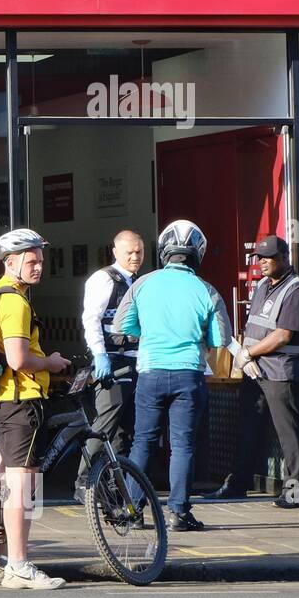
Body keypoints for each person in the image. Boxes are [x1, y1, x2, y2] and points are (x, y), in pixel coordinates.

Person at [112, 220, 234, 531]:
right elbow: (221, 338)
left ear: (165, 251)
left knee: (142, 442)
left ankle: (132, 510)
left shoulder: (143, 284)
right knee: (183, 445)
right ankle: (178, 512)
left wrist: (149, 331)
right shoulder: (207, 290)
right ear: (197, 254)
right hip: (188, 375)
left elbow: (121, 326)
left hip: (150, 372)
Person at [0, 228, 72, 589]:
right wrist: (50, 363)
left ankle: (3, 560)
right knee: (23, 485)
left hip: (2, 400)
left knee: (3, 480)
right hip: (21, 402)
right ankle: (19, 563)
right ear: (11, 262)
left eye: (40, 260)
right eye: (31, 261)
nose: (39, 267)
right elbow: (19, 359)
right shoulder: (15, 302)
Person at [209, 235, 299, 507]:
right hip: (254, 371)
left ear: (284, 257)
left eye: (269, 257)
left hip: (281, 372)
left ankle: (293, 493)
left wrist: (249, 353)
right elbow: (254, 329)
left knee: (288, 435)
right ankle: (237, 484)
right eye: (260, 257)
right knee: (247, 430)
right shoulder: (261, 287)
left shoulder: (297, 291)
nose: (262, 262)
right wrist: (244, 358)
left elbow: (283, 335)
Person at [75, 230, 145, 504]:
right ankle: (82, 481)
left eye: (139, 252)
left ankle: (115, 489)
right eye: (129, 252)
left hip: (134, 362)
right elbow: (90, 319)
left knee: (125, 430)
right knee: (105, 423)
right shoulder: (105, 279)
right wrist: (100, 355)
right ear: (115, 252)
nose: (134, 257)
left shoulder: (137, 281)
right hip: (111, 364)